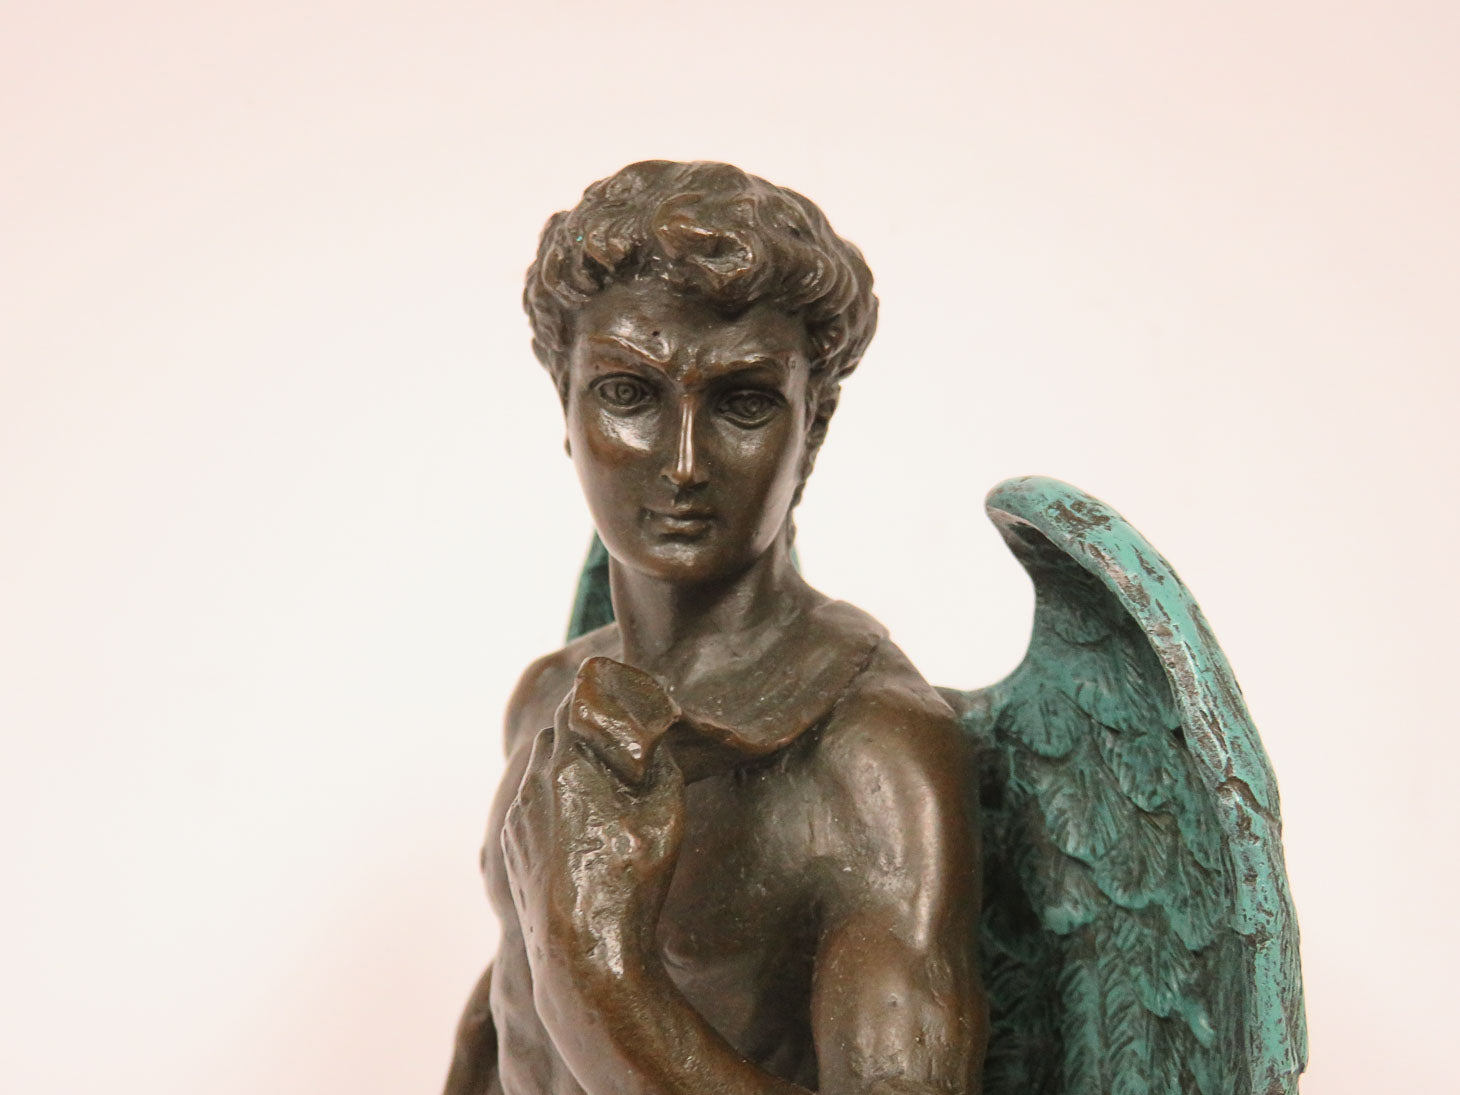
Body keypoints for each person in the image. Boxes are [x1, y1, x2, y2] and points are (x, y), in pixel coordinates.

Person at [444, 161, 987, 1095]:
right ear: (566, 405)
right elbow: (509, 1015)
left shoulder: (875, 756)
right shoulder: (549, 696)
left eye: (742, 401)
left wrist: (600, 983)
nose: (684, 462)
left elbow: (563, 983)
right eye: (629, 394)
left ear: (812, 426)